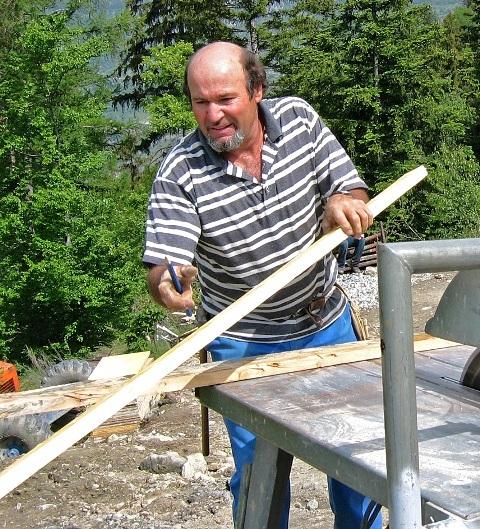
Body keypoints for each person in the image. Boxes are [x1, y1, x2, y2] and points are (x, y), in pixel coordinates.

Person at [143, 41, 380, 529]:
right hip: (243, 341)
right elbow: (165, 261)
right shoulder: (181, 170)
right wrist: (169, 282)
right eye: (200, 102)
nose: (212, 115)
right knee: (259, 480)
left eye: (225, 99)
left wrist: (344, 202)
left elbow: (350, 187)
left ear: (257, 90)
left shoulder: (299, 120)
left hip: (325, 322)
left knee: (358, 459)